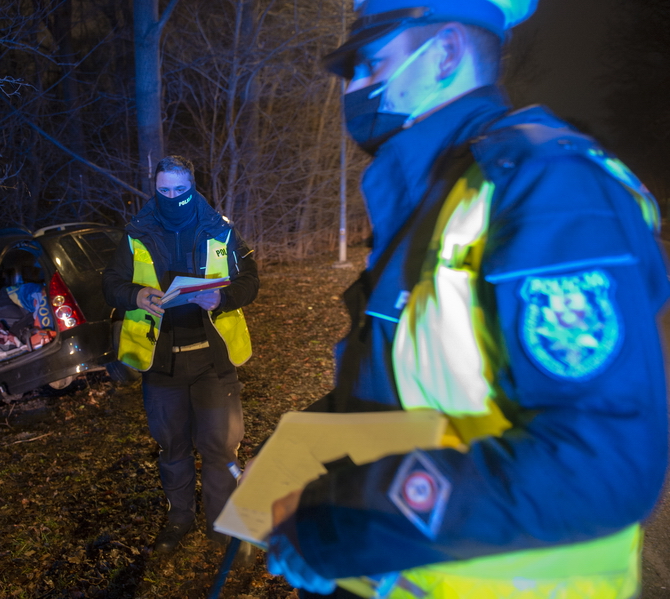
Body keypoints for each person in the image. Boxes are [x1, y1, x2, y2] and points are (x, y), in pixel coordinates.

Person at [265, 1, 670, 597]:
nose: (352, 86)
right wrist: (304, 463)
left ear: (447, 53)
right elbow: (417, 389)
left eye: (370, 63)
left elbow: (599, 459)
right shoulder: (437, 191)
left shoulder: (546, 185)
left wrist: (339, 523)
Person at [103, 155, 259, 553]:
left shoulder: (219, 230)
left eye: (180, 190)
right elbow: (111, 284)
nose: (173, 197)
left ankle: (224, 526)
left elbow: (251, 280)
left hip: (213, 360)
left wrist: (221, 297)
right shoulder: (136, 233)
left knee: (220, 446)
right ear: (154, 188)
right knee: (172, 446)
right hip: (161, 361)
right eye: (164, 190)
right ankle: (179, 518)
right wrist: (135, 294)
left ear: (193, 186)